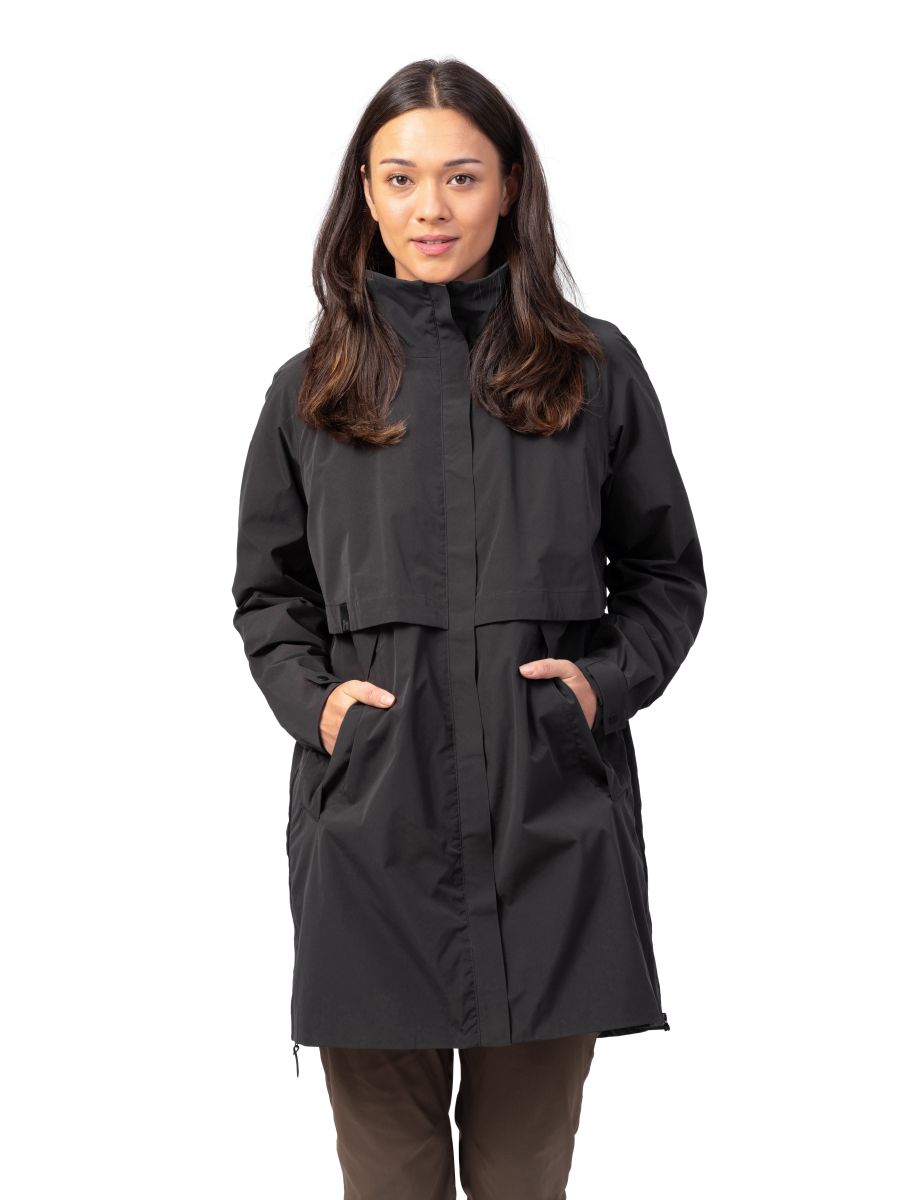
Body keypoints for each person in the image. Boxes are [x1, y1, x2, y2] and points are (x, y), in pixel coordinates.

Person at [231, 57, 706, 1200]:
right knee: (389, 1182)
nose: (430, 207)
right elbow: (270, 597)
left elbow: (665, 576)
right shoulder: (310, 390)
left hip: (548, 830)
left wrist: (595, 687)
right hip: (371, 838)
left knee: (523, 1178)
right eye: (401, 178)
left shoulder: (593, 372)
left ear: (509, 187)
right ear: (366, 191)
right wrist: (323, 710)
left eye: (461, 176)